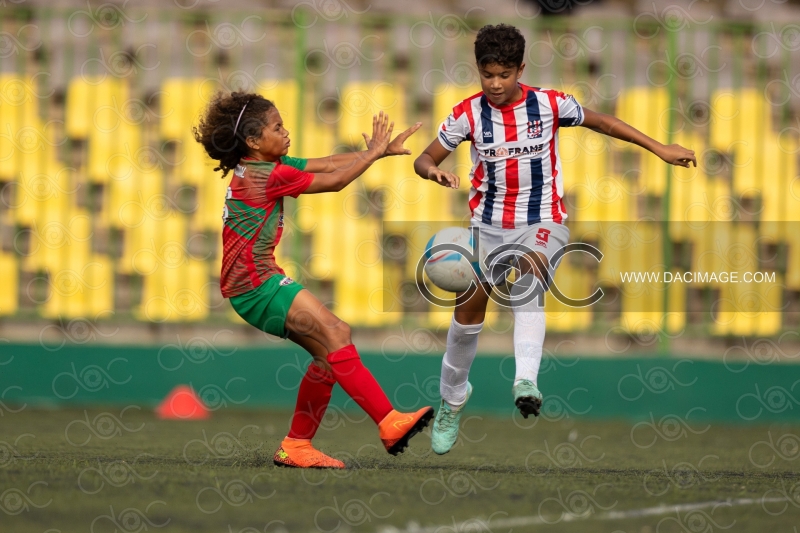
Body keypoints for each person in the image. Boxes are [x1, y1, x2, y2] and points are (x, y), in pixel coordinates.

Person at [413, 24, 697, 455]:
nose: (494, 83)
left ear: (520, 69)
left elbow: (603, 121)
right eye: (487, 74)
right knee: (466, 319)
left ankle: (526, 378)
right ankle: (452, 401)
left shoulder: (548, 104)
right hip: (485, 228)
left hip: (542, 220)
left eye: (503, 74)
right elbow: (425, 156)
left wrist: (659, 148)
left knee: (531, 271)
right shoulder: (467, 114)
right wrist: (431, 170)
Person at [194, 91, 430, 468]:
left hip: (252, 285)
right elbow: (334, 181)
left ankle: (297, 445)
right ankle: (389, 422)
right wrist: (370, 155)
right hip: (257, 286)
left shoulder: (260, 165)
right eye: (277, 127)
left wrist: (378, 152)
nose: (285, 132)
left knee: (327, 353)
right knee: (336, 332)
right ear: (254, 141)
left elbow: (328, 163)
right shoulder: (267, 175)